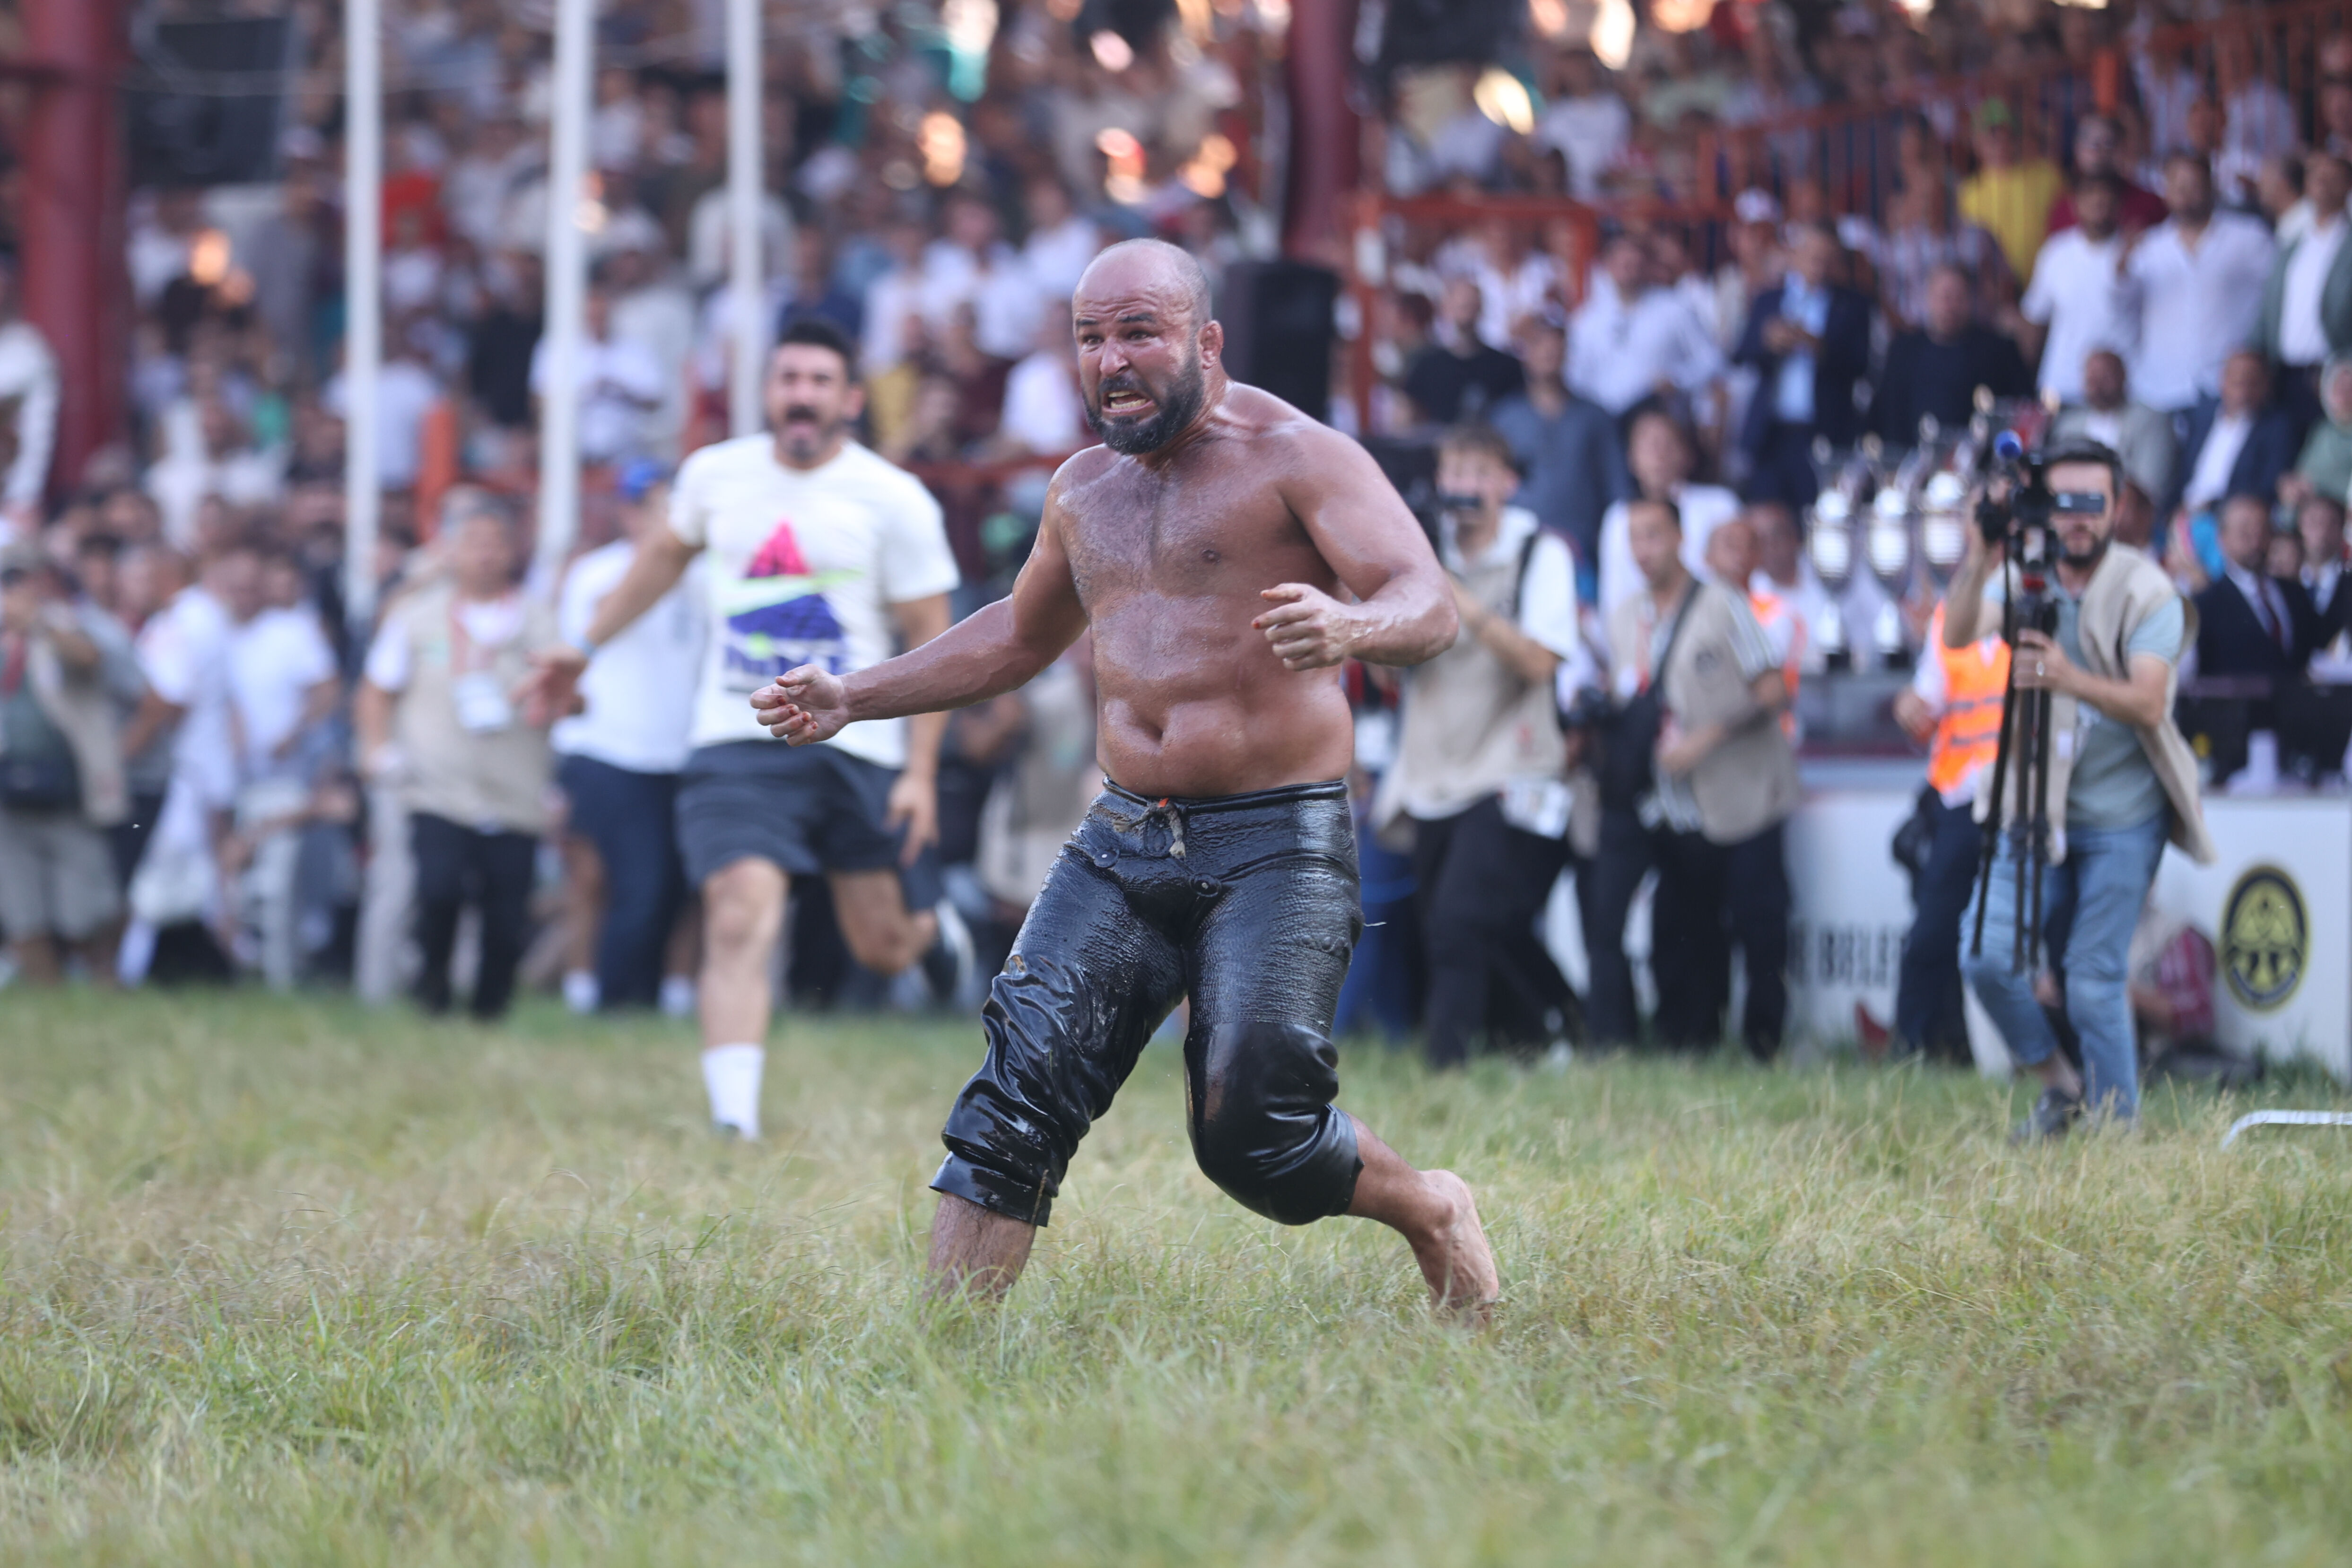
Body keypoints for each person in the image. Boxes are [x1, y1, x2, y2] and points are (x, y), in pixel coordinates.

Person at [747, 240, 1499, 1315]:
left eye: (1136, 332)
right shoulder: (1081, 488)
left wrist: (1349, 622)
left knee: (1253, 1130)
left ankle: (1430, 1205)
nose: (1110, 361)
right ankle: (944, 1360)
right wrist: (854, 695)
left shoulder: (1296, 454)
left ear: (1204, 340)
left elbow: (1427, 601)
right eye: (1089, 339)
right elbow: (1016, 633)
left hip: (1275, 838)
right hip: (1124, 835)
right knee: (1017, 1088)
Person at [526, 317, 963, 1143]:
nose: (801, 395)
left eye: (818, 381)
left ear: (849, 400)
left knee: (882, 945)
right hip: (737, 740)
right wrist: (582, 648)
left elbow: (933, 647)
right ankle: (735, 1121)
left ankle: (931, 939)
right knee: (736, 909)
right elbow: (662, 558)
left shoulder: (893, 498)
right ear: (767, 392)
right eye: (787, 378)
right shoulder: (714, 476)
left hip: (856, 740)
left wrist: (917, 772)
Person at [1943, 441, 2214, 1138]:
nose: (2076, 519)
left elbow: (2150, 705)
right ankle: (2063, 1089)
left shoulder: (2146, 588)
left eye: (2092, 502)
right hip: (2033, 805)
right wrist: (1981, 552)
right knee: (1984, 955)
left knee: (2092, 976)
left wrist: (2067, 677)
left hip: (2124, 818)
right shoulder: (2023, 571)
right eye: (2061, 502)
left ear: (2118, 507)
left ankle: (2116, 1137)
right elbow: (1957, 630)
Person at [1374, 424, 1581, 1070]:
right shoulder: (1420, 552)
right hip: (1431, 769)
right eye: (1452, 471)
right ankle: (1544, 1034)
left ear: (1506, 483)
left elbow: (1542, 663)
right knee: (1453, 925)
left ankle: (1446, 1068)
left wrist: (1456, 600)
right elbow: (1386, 676)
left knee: (1464, 920)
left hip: (1508, 766)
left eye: (1476, 471)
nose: (1461, 485)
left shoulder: (1538, 554)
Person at [1587, 500, 1796, 1056]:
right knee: (1683, 936)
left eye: (1654, 534)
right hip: (1673, 806)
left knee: (1760, 929)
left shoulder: (1722, 602)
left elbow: (1775, 689)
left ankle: (1763, 1048)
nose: (1643, 549)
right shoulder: (1625, 614)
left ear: (1681, 537)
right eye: (1634, 537)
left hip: (1745, 794)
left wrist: (1709, 736)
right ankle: (1688, 1043)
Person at [355, 497, 560, 1020]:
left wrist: (556, 697)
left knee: (505, 904)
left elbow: (571, 695)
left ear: (514, 551)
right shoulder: (416, 615)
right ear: (449, 550)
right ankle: (433, 993)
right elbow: (377, 690)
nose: (486, 556)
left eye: (496, 544)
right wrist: (377, 750)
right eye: (474, 543)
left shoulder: (539, 621)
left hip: (515, 787)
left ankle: (492, 1008)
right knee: (438, 888)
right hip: (436, 784)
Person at [552, 459, 706, 1011]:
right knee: (608, 880)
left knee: (679, 885)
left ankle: (667, 992)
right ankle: (603, 993)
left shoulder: (705, 576)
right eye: (645, 504)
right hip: (607, 746)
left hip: (680, 749)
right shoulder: (595, 574)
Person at [0, 546, 132, 982]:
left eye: (18, 581)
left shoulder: (71, 622)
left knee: (89, 912)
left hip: (69, 789)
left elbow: (90, 657)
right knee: (22, 912)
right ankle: (47, 1003)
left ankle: (104, 990)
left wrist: (36, 623)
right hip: (7, 793)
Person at [1888, 602, 2010, 1062]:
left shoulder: (2046, 600)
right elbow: (1926, 702)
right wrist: (1909, 707)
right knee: (1933, 933)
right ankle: (1916, 1048)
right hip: (1959, 803)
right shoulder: (1947, 615)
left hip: (2024, 800)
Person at [2117, 153, 2275, 418]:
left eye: (2194, 185)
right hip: (2159, 388)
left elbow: (2277, 299)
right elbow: (2121, 309)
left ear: (2211, 186)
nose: (2186, 194)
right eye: (2178, 186)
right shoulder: (2149, 246)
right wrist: (2120, 266)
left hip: (2227, 387)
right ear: (2166, 192)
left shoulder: (2249, 236)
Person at [1733, 220, 1873, 509]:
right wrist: (1767, 342)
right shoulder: (1768, 300)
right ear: (1794, 255)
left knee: (1819, 514)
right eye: (1812, 255)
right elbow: (1741, 354)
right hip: (1772, 434)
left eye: (1827, 258)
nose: (1819, 264)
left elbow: (1863, 365)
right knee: (1765, 514)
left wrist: (1819, 346)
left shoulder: (1854, 305)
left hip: (1824, 434)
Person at [1485, 310, 1627, 591]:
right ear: (1524, 353)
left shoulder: (1595, 416)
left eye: (1556, 344)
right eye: (1538, 344)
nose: (1548, 352)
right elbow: (1492, 486)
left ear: (1567, 351)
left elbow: (1617, 487)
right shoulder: (1504, 419)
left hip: (1583, 549)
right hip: (1519, 548)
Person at [1594, 406, 1738, 621]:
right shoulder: (1619, 517)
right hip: (1646, 634)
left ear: (1687, 453)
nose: (1659, 455)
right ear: (1631, 458)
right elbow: (1614, 596)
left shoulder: (1720, 505)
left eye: (1667, 443)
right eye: (1649, 446)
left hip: (1717, 625)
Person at [1873, 263, 2034, 445]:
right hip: (1914, 457)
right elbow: (1888, 416)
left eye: (1958, 298)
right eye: (1944, 297)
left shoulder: (1999, 351)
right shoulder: (1904, 352)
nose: (1950, 306)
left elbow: (2021, 410)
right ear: (1928, 299)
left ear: (1971, 300)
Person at [1568, 233, 1723, 420]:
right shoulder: (1587, 320)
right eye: (1621, 263)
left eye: (1633, 263)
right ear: (1607, 265)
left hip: (1661, 422)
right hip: (1606, 424)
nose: (1627, 269)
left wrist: (1678, 381)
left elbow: (1713, 360)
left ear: (1646, 264)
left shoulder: (1674, 308)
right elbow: (1576, 379)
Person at [2018, 173, 2133, 406]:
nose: (2098, 205)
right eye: (2090, 198)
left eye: (2105, 199)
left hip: (2121, 392)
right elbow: (2034, 318)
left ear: (2119, 205)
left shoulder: (2138, 251)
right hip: (2062, 387)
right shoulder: (2056, 252)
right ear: (2075, 205)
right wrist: (2024, 380)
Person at [2256, 151, 2352, 427]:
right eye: (2316, 176)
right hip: (2285, 375)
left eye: (2332, 177)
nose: (2322, 183)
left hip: (2334, 377)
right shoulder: (2293, 243)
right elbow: (2270, 307)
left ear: (2348, 185)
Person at [2193, 492, 2319, 679]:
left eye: (2263, 529)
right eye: (2245, 531)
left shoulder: (2296, 594)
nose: (2256, 539)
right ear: (2223, 538)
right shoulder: (2205, 606)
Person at [2169, 351, 2299, 522]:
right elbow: (2181, 475)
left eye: (2252, 383)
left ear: (2266, 386)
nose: (2243, 391)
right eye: (2237, 382)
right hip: (2183, 514)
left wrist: (2211, 507)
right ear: (2222, 382)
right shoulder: (2203, 418)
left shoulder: (2277, 428)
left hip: (2228, 519)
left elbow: (2266, 487)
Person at [2047, 350, 2178, 508]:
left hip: (2126, 512)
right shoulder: (2068, 425)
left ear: (2123, 377)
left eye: (2105, 378)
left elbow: (2150, 487)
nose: (2098, 386)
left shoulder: (2151, 421)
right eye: (2092, 379)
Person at [1402, 276, 1524, 425]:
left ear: (1481, 308)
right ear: (1445, 308)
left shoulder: (1506, 367)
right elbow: (1408, 417)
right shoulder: (1426, 366)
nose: (1466, 311)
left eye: (1471, 304)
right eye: (1461, 305)